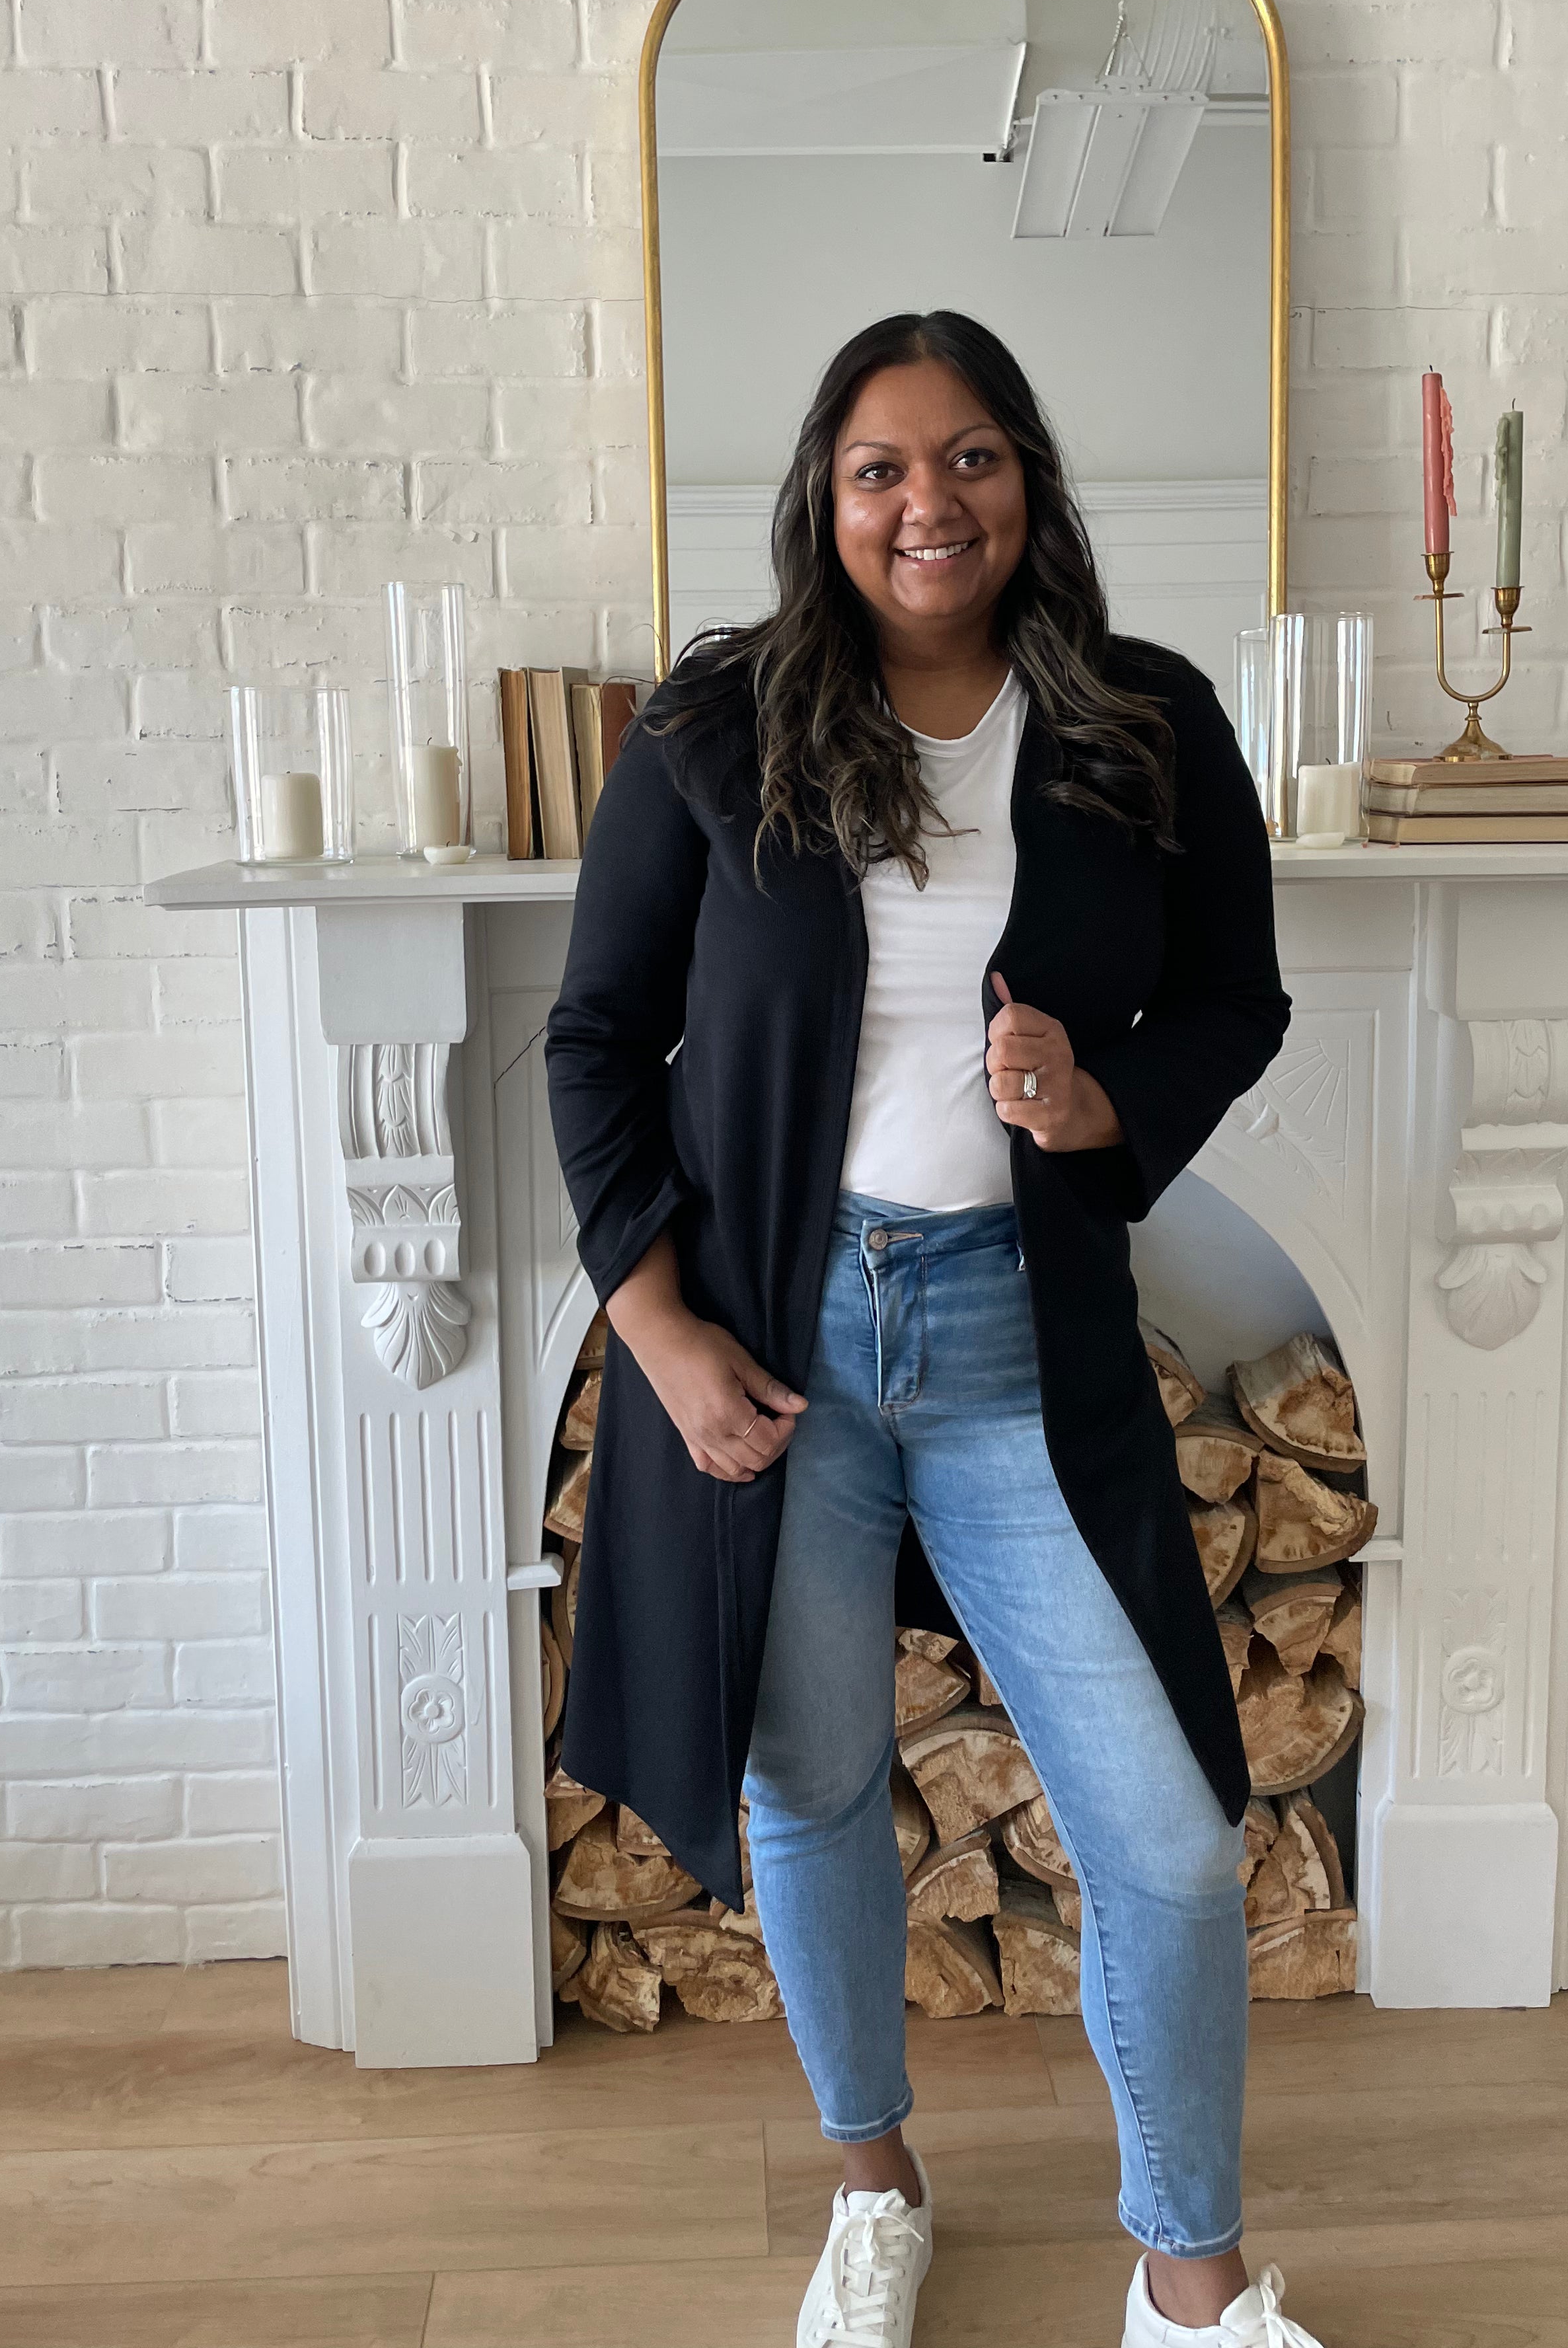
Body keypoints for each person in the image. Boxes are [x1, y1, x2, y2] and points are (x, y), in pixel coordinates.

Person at [546, 312, 1322, 2348]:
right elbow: (597, 1042)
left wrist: (1108, 1103)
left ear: (1028, 484)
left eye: (971, 457)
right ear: (825, 493)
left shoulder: (1138, 721)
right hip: (779, 1345)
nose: (928, 501)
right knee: (810, 1786)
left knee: (1161, 1834)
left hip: (1013, 1343)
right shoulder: (716, 731)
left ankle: (1189, 2278)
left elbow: (1236, 998)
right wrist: (661, 1333)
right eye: (884, 465)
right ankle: (873, 2188)